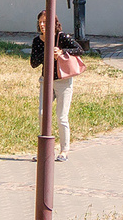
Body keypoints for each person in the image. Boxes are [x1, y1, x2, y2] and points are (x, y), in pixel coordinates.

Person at [29, 11, 86, 162]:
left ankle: (64, 150)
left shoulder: (62, 37)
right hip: (46, 81)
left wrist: (61, 52)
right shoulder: (37, 41)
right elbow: (33, 63)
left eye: (45, 22)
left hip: (63, 81)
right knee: (42, 114)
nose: (42, 25)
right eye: (40, 22)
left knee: (62, 117)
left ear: (54, 23)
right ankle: (45, 151)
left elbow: (80, 50)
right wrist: (46, 52)